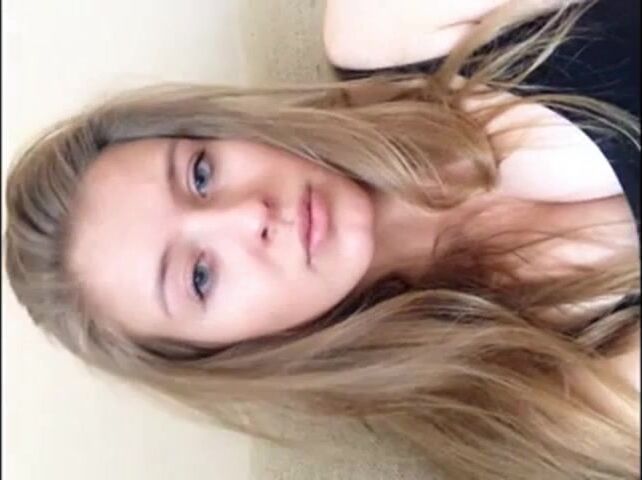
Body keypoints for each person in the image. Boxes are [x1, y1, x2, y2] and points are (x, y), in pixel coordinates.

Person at [5, 0, 640, 478]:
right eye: (200, 276)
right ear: (227, 350)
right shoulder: (514, 399)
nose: (247, 214)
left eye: (200, 174)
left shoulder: (387, 26)